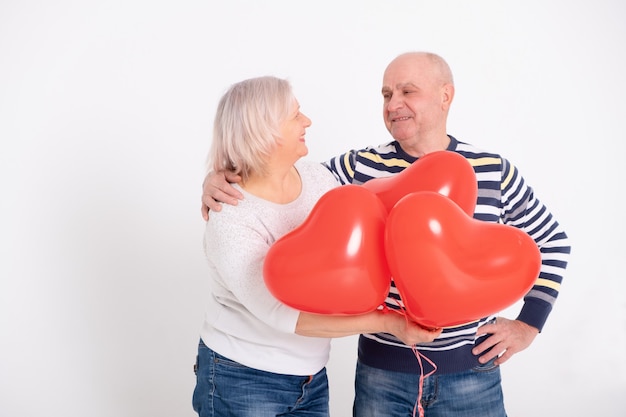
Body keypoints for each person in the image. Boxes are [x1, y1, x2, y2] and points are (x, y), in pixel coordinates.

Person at [200, 54, 571, 417]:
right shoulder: (353, 168)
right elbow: (271, 178)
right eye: (386, 94)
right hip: (382, 373)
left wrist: (529, 325)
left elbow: (551, 240)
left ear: (446, 95)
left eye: (408, 92)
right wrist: (218, 177)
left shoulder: (493, 170)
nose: (394, 104)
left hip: (472, 373)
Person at [192, 75, 440, 417]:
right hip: (243, 377)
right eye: (295, 115)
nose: (307, 121)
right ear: (265, 130)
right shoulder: (230, 215)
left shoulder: (318, 179)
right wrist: (390, 323)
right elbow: (283, 315)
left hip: (310, 377)